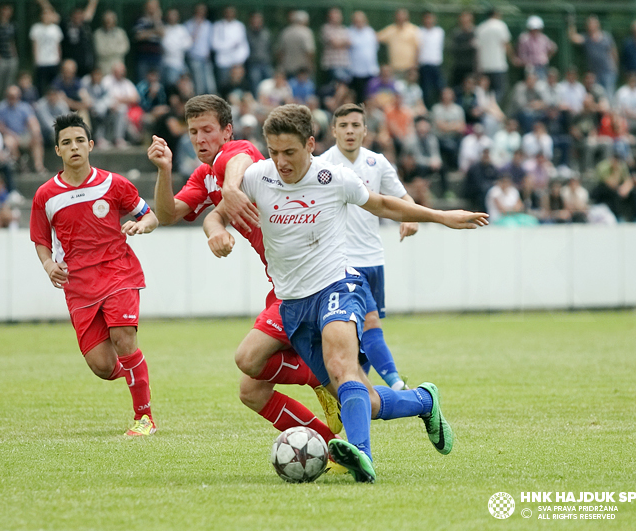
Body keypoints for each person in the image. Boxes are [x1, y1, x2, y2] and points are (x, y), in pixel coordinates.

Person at [204, 103, 487, 482]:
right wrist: (216, 232)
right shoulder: (258, 177)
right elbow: (216, 214)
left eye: (289, 152)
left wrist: (441, 216)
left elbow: (385, 204)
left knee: (341, 366)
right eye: (273, 152)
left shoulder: (333, 178)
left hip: (339, 285)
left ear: (310, 143)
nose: (281, 161)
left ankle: (362, 457)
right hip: (292, 305)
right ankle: (424, 400)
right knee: (361, 400)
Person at [148, 94, 345, 459]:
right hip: (284, 285)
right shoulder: (204, 174)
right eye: (193, 132)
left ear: (226, 130)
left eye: (207, 130)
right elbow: (169, 212)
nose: (200, 138)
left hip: (306, 285)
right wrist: (164, 171)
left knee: (249, 358)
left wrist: (232, 187)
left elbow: (238, 158)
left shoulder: (237, 156)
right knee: (251, 391)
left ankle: (320, 377)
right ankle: (334, 450)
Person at [29, 112, 159, 437]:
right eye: (65, 142)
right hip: (79, 287)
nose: (73, 147)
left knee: (123, 338)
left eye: (78, 141)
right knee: (102, 366)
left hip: (118, 272)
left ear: (90, 144)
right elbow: (41, 241)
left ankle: (144, 418)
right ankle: (135, 370)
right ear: (57, 150)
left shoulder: (113, 184)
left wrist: (141, 225)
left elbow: (150, 216)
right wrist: (48, 266)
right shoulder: (46, 195)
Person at [319, 103, 417, 390]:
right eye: (344, 126)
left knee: (360, 339)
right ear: (333, 130)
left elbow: (402, 198)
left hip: (373, 258)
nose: (350, 131)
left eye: (355, 125)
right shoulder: (322, 164)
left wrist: (411, 218)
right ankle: (397, 386)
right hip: (341, 261)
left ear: (365, 130)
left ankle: (353, 394)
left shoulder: (377, 162)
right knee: (370, 325)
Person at [568, 15, 618, 97]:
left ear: (598, 24)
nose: (591, 26)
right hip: (594, 74)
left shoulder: (606, 37)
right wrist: (571, 23)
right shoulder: (586, 38)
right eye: (589, 24)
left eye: (593, 23)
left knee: (609, 96)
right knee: (596, 97)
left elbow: (613, 52)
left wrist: (615, 67)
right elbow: (573, 38)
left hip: (608, 71)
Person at [474, 8, 512, 102]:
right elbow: (506, 44)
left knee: (486, 91)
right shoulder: (500, 26)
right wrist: (512, 58)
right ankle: (492, 108)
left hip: (484, 65)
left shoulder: (480, 28)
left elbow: (477, 48)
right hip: (498, 65)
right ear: (496, 14)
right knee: (499, 91)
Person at [0, 4, 19, 108]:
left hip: (11, 58)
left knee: (8, 86)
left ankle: (6, 107)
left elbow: (11, 41)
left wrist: (15, 55)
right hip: (0, 59)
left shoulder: (12, 25)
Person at [94, 11, 130, 77]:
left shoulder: (121, 33)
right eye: (106, 20)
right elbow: (100, 51)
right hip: (103, 67)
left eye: (110, 20)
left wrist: (109, 49)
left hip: (118, 67)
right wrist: (115, 49)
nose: (108, 23)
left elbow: (125, 48)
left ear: (114, 21)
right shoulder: (97, 33)